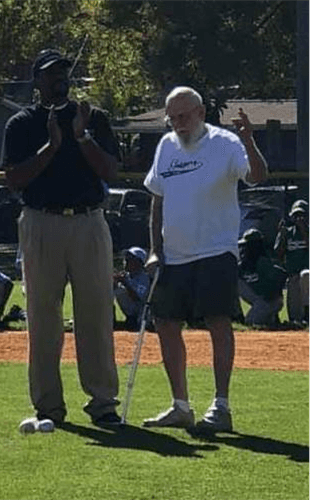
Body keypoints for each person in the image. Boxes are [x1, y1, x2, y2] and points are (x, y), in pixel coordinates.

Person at [2, 48, 122, 429]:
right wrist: (52, 146)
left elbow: (111, 171)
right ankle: (48, 407)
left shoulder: (93, 117)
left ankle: (103, 403)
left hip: (88, 222)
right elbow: (15, 179)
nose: (60, 78)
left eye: (64, 72)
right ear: (36, 80)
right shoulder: (21, 123)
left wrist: (81, 137)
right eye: (51, 73)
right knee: (42, 318)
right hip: (41, 223)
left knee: (96, 315)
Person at [141, 86, 268, 433]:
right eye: (172, 118)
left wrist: (250, 141)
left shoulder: (226, 143)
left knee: (218, 321)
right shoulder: (166, 146)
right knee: (166, 323)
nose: (178, 124)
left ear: (200, 112)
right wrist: (155, 249)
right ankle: (180, 406)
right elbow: (157, 198)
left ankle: (221, 406)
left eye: (183, 116)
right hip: (174, 254)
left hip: (216, 250)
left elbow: (257, 176)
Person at [237, 229, 288, 329]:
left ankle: (272, 317)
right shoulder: (244, 264)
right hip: (258, 300)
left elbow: (281, 274)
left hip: (269, 301)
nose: (244, 248)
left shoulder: (263, 262)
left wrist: (272, 293)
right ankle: (271, 319)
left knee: (250, 322)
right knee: (234, 281)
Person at [275, 203, 310, 326]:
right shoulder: (288, 232)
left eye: (302, 215)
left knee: (304, 276)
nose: (299, 219)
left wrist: (304, 232)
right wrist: (281, 236)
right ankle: (297, 321)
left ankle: (308, 313)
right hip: (293, 273)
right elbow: (278, 255)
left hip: (308, 273)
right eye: (296, 216)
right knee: (293, 283)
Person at [113, 247, 151, 330]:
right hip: (130, 314)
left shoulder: (144, 278)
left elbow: (137, 298)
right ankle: (111, 321)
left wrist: (125, 283)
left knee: (120, 291)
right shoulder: (126, 276)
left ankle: (138, 324)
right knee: (113, 289)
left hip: (142, 314)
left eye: (130, 259)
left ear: (139, 262)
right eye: (126, 259)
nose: (126, 261)